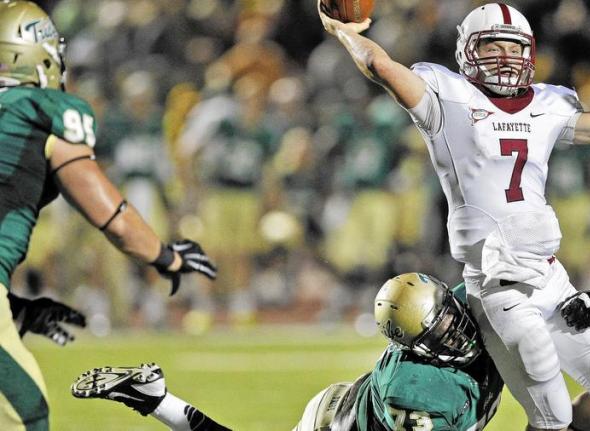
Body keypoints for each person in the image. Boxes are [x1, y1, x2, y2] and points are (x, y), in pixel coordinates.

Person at [318, 2, 590, 430]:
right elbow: (380, 66)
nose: (506, 57)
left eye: (515, 48)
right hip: (497, 285)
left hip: (549, 275)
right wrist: (344, 31)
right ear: (466, 51)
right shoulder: (447, 99)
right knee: (552, 418)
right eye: (492, 46)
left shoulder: (549, 104)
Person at [0, 2, 217, 429]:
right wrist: (166, 257)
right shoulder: (43, 109)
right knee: (27, 414)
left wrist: (17, 309)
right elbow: (112, 216)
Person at [71, 273, 505, 431]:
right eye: (437, 332)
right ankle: (154, 399)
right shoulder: (416, 391)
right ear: (412, 346)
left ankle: (153, 397)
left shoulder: (470, 302)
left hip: (356, 401)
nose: (454, 332)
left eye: (450, 316)